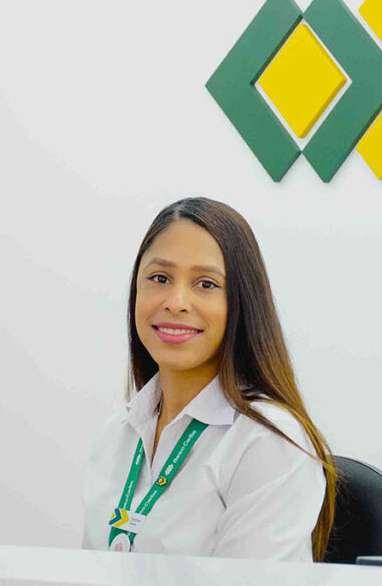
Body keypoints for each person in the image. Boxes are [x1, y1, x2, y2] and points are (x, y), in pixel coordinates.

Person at [82, 197, 336, 561]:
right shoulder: (114, 437)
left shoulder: (268, 443)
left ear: (241, 303)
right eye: (159, 278)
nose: (176, 302)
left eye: (206, 284)